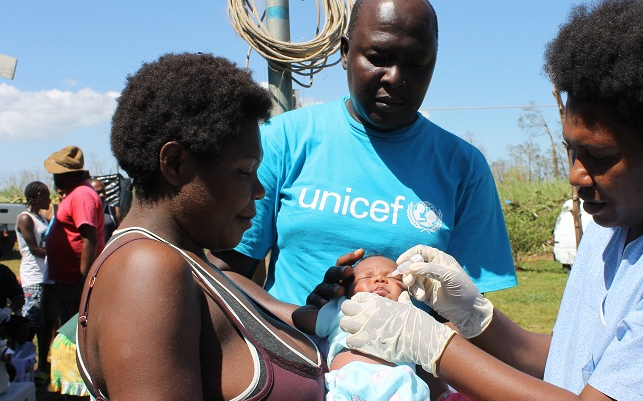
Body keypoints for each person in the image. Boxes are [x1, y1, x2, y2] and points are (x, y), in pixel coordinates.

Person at [331, 1, 643, 400]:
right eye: (572, 150)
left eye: (599, 157)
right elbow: (577, 365)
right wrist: (475, 317)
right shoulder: (619, 222)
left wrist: (433, 346)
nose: (575, 175)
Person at [210, 0, 517, 317]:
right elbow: (224, 273)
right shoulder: (282, 141)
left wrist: (418, 341)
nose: (395, 78)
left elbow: (471, 313)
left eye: (416, 63)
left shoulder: (464, 168)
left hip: (409, 366)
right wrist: (302, 319)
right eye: (378, 58)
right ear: (345, 52)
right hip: (291, 357)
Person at [75, 52, 326, 400]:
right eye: (244, 171)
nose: (259, 190)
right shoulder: (146, 270)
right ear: (175, 164)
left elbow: (300, 320)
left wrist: (336, 308)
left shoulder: (201, 267)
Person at [294, 254, 464, 401]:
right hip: (350, 382)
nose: (380, 279)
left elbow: (448, 334)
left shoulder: (410, 315)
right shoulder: (343, 308)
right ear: (346, 290)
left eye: (393, 278)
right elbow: (299, 317)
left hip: (403, 386)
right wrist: (328, 302)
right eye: (366, 277)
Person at [44, 145, 105, 327]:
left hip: (75, 282)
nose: (54, 179)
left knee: (74, 331)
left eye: (56, 175)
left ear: (64, 175)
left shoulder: (82, 195)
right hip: (68, 280)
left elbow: (89, 239)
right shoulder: (75, 193)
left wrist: (82, 282)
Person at [14, 181, 56, 383]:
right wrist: (60, 254)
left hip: (45, 276)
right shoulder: (25, 218)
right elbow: (34, 249)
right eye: (47, 195)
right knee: (31, 322)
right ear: (38, 195)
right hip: (34, 277)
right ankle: (17, 360)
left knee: (46, 323)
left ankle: (41, 366)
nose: (50, 199)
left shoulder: (40, 217)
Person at [89, 178, 122, 242]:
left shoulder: (113, 210)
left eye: (103, 192)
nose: (102, 195)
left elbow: (120, 232)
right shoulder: (83, 212)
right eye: (98, 192)